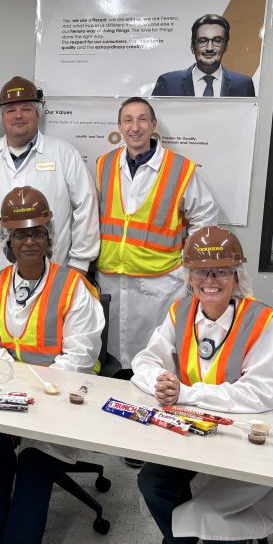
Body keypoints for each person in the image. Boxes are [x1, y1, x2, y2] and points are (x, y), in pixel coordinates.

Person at [132, 226, 273, 544]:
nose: (209, 280)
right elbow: (145, 360)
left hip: (261, 433)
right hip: (202, 427)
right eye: (200, 271)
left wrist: (187, 393)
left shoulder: (262, 321)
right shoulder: (181, 311)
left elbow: (259, 394)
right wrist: (160, 381)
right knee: (151, 482)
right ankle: (185, 539)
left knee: (214, 504)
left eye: (221, 271)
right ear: (189, 276)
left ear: (236, 277)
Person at [0, 186, 104, 544]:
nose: (29, 241)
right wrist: (11, 390)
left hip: (58, 395)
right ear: (8, 239)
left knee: (37, 458)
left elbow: (81, 354)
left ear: (48, 237)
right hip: (6, 393)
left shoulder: (73, 286)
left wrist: (34, 392)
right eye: (21, 234)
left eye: (37, 233)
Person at [0, 75, 99, 320]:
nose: (18, 115)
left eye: (26, 109)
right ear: (2, 116)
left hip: (53, 270)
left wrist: (80, 263)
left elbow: (87, 207)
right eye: (11, 110)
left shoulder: (64, 154)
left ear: (38, 113)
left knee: (47, 330)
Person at [96, 97, 219, 374]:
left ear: (153, 125)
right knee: (113, 357)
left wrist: (188, 261)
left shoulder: (178, 168)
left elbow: (206, 216)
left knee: (156, 359)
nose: (135, 127)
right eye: (128, 120)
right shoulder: (104, 164)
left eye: (142, 119)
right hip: (112, 276)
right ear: (119, 126)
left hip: (160, 281)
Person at [152, 14, 256, 97]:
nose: (209, 48)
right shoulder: (168, 83)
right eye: (202, 41)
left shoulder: (243, 84)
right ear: (192, 47)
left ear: (225, 47)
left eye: (217, 41)